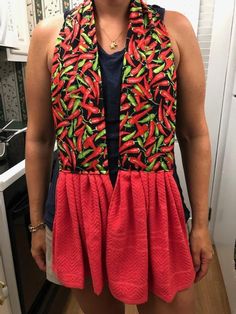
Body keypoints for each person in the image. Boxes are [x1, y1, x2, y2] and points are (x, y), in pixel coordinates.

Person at [25, 0, 214, 313]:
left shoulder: (174, 29)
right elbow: (39, 138)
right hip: (80, 215)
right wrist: (35, 227)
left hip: (155, 211)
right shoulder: (50, 34)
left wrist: (201, 226)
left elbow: (194, 135)